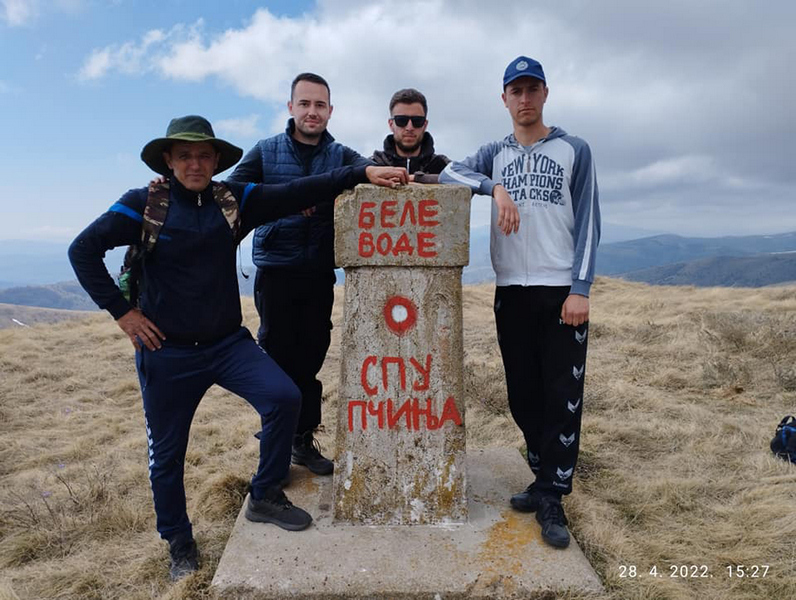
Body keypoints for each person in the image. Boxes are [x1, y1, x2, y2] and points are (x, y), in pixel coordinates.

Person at [68, 115, 406, 580]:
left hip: (228, 343)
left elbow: (302, 189)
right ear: (168, 160)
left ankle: (264, 494)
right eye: (184, 155)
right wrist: (123, 314)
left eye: (204, 155)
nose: (195, 163)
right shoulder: (143, 204)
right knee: (167, 455)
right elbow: (82, 250)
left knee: (285, 398)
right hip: (167, 352)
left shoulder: (233, 200)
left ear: (216, 160)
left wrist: (360, 172)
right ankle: (179, 541)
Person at [439, 57, 600, 549]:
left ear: (545, 94)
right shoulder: (496, 153)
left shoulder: (575, 149)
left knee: (561, 397)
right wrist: (495, 186)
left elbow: (590, 218)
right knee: (522, 395)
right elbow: (448, 173)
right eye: (516, 91)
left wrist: (580, 288)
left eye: (532, 90)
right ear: (504, 99)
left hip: (559, 293)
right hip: (511, 290)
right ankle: (541, 473)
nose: (524, 99)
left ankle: (553, 495)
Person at [227, 73, 369, 476]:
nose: (312, 112)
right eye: (304, 104)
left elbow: (372, 171)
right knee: (276, 357)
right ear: (291, 107)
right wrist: (285, 204)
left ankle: (302, 441)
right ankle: (276, 443)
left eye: (320, 105)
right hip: (276, 270)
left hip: (319, 271)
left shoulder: (340, 154)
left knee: (310, 358)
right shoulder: (266, 151)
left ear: (330, 110)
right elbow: (232, 194)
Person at [370, 88, 450, 182]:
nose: (409, 127)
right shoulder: (373, 164)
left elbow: (466, 179)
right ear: (391, 124)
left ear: (425, 125)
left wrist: (417, 178)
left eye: (417, 121)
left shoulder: (443, 166)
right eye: (401, 120)